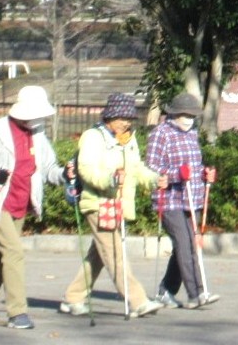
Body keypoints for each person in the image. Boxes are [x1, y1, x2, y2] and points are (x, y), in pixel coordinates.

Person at [0, 85, 71, 329]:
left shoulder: (38, 134)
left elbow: (49, 169)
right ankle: (17, 313)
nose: (39, 118)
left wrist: (66, 174)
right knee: (14, 252)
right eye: (35, 113)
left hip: (22, 202)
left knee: (5, 255)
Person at [59, 93, 168, 318]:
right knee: (115, 252)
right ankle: (138, 301)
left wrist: (154, 179)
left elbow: (136, 168)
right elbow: (86, 169)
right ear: (110, 116)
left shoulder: (128, 139)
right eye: (122, 117)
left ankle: (73, 297)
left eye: (129, 118)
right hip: (98, 203)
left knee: (99, 255)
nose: (127, 122)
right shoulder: (92, 137)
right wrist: (109, 179)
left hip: (118, 204)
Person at [145, 92, 220, 309]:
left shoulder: (192, 133)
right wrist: (177, 174)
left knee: (188, 246)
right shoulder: (161, 134)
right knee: (185, 245)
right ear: (174, 113)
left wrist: (204, 173)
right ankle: (196, 293)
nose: (189, 118)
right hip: (169, 200)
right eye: (185, 114)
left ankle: (165, 290)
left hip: (192, 197)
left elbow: (195, 166)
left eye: (192, 114)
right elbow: (152, 169)